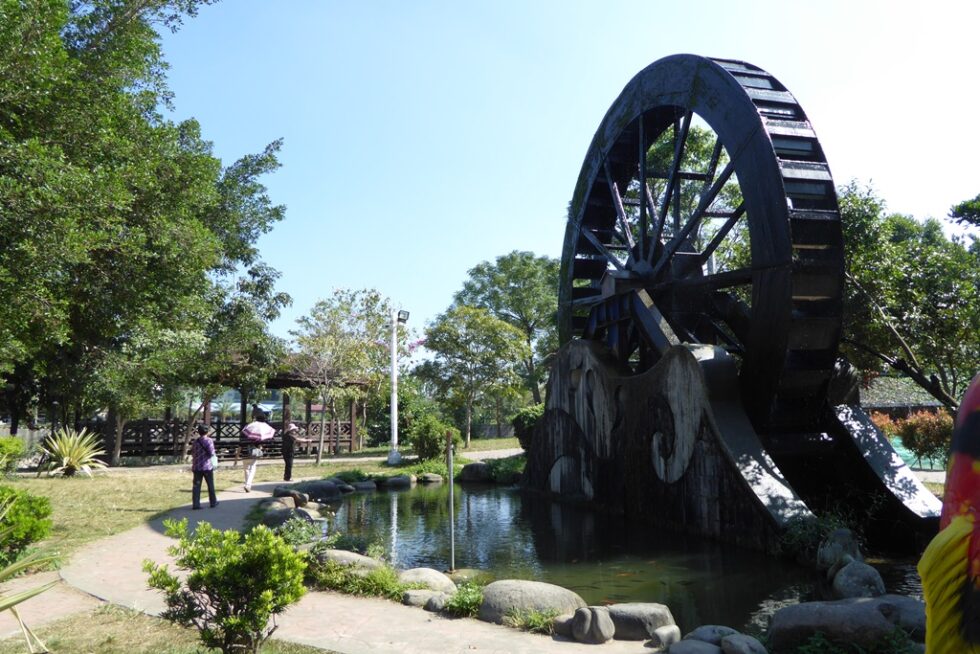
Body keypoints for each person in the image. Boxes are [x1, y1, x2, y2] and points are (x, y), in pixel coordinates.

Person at [241, 410, 275, 492]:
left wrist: (236, 457)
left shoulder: (248, 430)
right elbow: (260, 446)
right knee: (252, 469)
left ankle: (247, 483)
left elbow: (240, 445)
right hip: (253, 454)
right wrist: (261, 448)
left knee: (246, 469)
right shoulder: (259, 435)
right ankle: (248, 485)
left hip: (244, 453)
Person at [191, 424, 218, 509]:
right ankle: (213, 502)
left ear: (199, 432)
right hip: (207, 466)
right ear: (207, 431)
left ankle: (196, 504)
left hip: (196, 466)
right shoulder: (209, 441)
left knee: (196, 486)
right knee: (210, 484)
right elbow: (212, 453)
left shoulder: (196, 441)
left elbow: (192, 452)